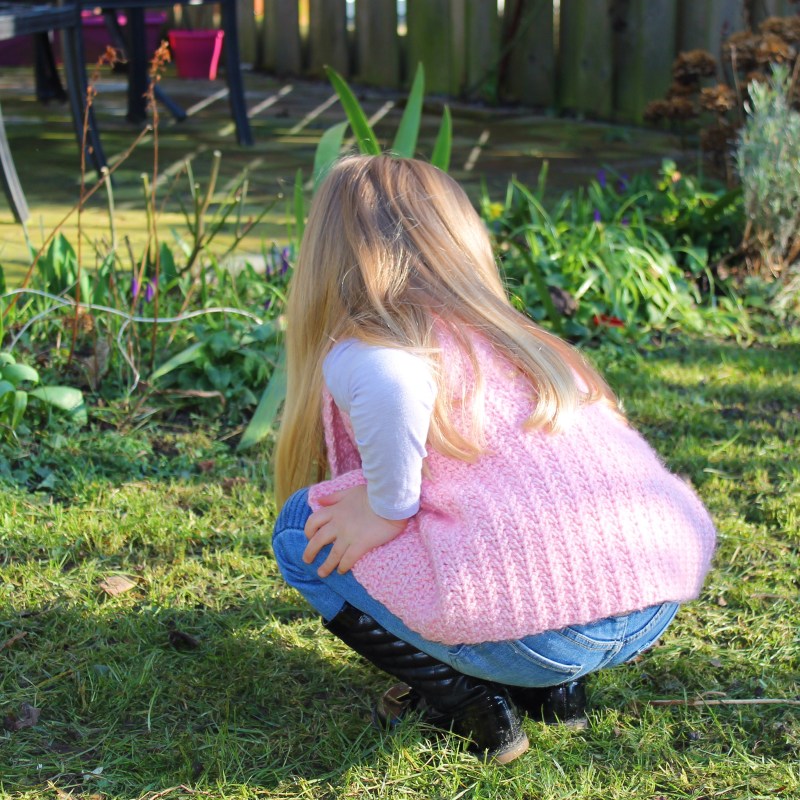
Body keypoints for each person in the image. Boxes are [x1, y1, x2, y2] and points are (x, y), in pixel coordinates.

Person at [270, 155, 716, 764]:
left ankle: (473, 705)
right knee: (512, 508)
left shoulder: (372, 343)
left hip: (552, 632)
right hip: (651, 597)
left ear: (327, 255)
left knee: (301, 529)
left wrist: (385, 507)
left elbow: (392, 384)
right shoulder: (512, 337)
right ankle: (560, 697)